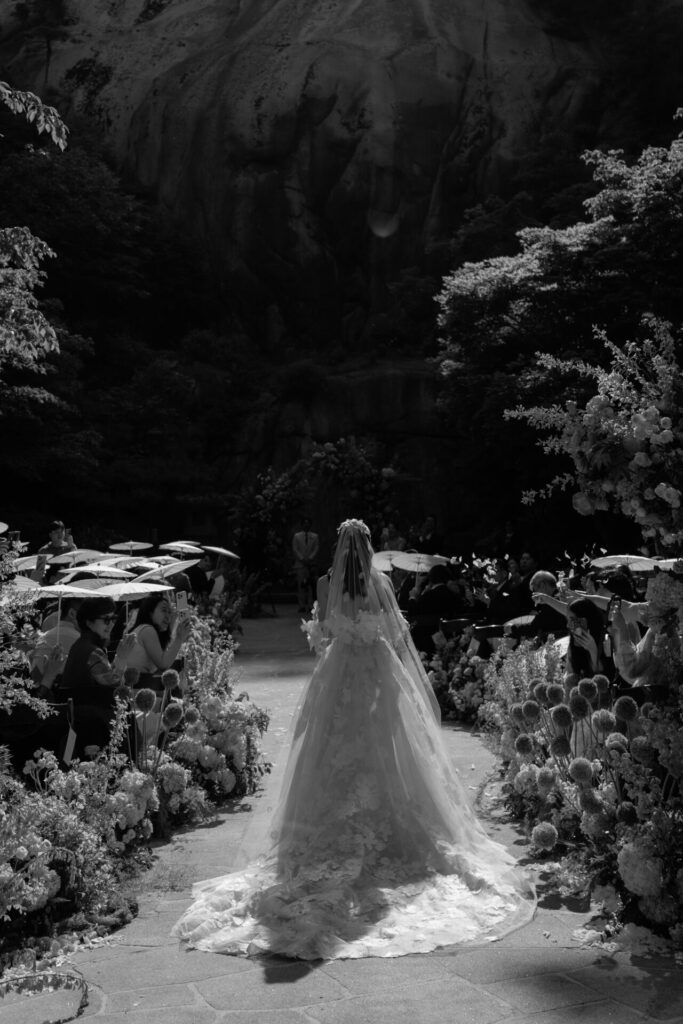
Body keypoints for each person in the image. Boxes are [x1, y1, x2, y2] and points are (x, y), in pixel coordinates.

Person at [173, 518, 535, 960]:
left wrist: (331, 638)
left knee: (330, 750)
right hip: (377, 673)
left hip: (339, 676)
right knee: (390, 752)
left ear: (338, 547)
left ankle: (327, 831)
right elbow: (397, 635)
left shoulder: (326, 583)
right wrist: (404, 686)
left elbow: (324, 633)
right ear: (368, 548)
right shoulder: (382, 582)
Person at [58, 596, 137, 757]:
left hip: (84, 718)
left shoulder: (81, 645)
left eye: (113, 618)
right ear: (89, 622)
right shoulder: (93, 651)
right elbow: (114, 686)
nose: (112, 624)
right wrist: (121, 657)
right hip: (93, 723)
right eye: (106, 620)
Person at [121, 591, 192, 692]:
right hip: (133, 689)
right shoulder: (147, 630)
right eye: (164, 610)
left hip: (138, 686)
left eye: (169, 612)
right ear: (150, 612)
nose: (168, 616)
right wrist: (179, 638)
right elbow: (163, 664)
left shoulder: (147, 629)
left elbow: (164, 656)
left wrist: (171, 627)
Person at [292, 516, 319, 612]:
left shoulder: (315, 536)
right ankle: (302, 605)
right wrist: (302, 559)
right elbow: (295, 549)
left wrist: (310, 558)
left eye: (308, 523)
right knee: (301, 585)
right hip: (300, 564)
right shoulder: (297, 536)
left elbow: (316, 548)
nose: (306, 525)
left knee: (311, 585)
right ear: (302, 525)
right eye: (304, 523)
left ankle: (311, 605)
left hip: (311, 564)